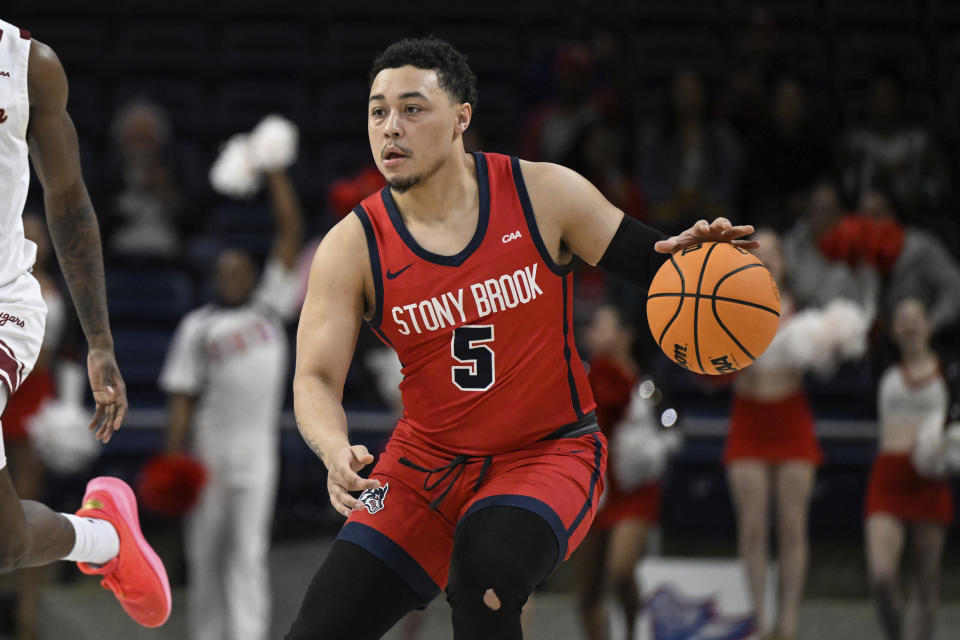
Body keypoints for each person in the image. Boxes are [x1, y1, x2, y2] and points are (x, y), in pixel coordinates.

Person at [287, 37, 756, 640]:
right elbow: (316, 378)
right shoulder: (352, 245)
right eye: (378, 111)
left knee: (484, 582)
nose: (390, 127)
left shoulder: (542, 193)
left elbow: (658, 263)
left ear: (462, 117)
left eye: (412, 108)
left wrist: (702, 260)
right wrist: (332, 449)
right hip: (421, 467)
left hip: (546, 453)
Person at [0, 18, 170, 627]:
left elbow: (68, 201)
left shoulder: (28, 64)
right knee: (7, 543)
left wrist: (99, 340)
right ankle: (103, 538)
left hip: (4, 304)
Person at [159, 168, 303, 640]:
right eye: (226, 271)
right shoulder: (197, 327)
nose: (234, 277)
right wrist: (174, 455)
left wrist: (276, 174)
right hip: (208, 453)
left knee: (248, 554)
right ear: (216, 278)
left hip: (257, 455)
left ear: (252, 274)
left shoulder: (269, 311)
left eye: (241, 270)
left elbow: (290, 234)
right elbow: (181, 397)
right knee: (205, 557)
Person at [723, 229, 869, 640]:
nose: (766, 258)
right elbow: (713, 372)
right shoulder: (727, 307)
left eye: (774, 253)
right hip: (748, 419)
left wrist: (831, 343)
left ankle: (787, 625)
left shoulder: (805, 314)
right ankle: (760, 619)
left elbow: (827, 360)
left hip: (791, 419)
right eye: (758, 253)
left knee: (792, 526)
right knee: (752, 527)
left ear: (785, 263)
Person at [575, 304, 678, 640]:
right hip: (596, 488)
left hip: (635, 489)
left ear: (625, 335)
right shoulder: (581, 378)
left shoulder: (647, 384)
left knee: (620, 569)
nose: (593, 334)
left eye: (601, 326)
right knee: (588, 587)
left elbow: (670, 430)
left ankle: (633, 631)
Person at [865, 298, 954, 640]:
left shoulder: (949, 373)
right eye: (902, 319)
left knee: (926, 580)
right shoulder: (881, 367)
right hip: (888, 479)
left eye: (917, 318)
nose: (911, 325)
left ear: (929, 326)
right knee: (882, 577)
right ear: (893, 330)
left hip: (929, 480)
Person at [1, 212, 64, 640]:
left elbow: (42, 354)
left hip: (31, 396)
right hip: (5, 391)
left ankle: (27, 614)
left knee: (22, 504)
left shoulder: (50, 295)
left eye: (37, 236)